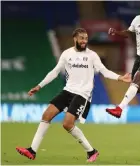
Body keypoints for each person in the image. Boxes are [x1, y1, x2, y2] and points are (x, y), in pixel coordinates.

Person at [15, 28, 131, 162]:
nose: (84, 41)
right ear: (75, 39)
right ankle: (32, 151)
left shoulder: (92, 55)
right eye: (81, 38)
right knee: (46, 115)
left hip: (83, 94)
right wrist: (39, 86)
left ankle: (91, 151)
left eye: (86, 38)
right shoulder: (67, 54)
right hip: (68, 90)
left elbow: (104, 71)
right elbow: (55, 72)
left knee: (67, 124)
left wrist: (120, 78)